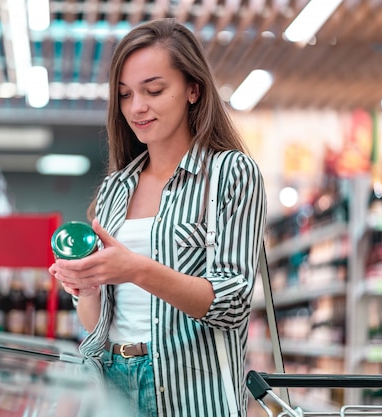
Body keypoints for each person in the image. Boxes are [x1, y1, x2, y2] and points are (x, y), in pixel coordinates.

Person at [49, 18, 267, 417]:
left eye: (154, 90)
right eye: (125, 94)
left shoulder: (230, 174)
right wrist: (86, 285)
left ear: (193, 90)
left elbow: (233, 302)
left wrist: (135, 269)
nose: (137, 107)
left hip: (189, 391)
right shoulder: (115, 188)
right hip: (111, 379)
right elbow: (95, 324)